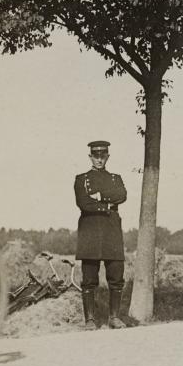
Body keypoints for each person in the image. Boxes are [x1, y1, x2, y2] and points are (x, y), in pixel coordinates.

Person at [74, 140, 127, 329]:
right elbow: (83, 203)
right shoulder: (81, 179)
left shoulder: (116, 178)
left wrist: (98, 197)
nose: (99, 159)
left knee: (116, 276)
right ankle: (90, 320)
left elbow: (122, 196)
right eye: (95, 156)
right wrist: (107, 204)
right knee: (89, 279)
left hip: (111, 233)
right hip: (90, 233)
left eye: (102, 156)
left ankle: (114, 317)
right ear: (90, 157)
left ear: (107, 157)